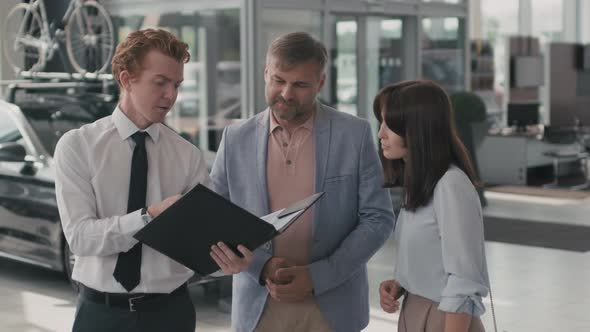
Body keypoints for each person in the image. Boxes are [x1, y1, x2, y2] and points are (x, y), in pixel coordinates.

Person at [54, 28, 252, 332]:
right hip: (101, 316)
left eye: (176, 84)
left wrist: (227, 261)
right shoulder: (78, 146)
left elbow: (203, 243)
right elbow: (80, 237)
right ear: (125, 79)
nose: (171, 95)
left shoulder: (187, 155)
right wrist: (150, 217)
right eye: (160, 83)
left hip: (171, 314)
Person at [210, 31, 395, 332]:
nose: (286, 93)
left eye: (300, 85)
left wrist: (317, 277)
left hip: (333, 307)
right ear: (265, 73)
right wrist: (262, 267)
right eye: (278, 80)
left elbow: (378, 219)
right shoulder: (235, 139)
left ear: (320, 83)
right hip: (258, 308)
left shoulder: (355, 134)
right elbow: (216, 218)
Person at [374, 80, 490, 332]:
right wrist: (402, 282)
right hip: (415, 311)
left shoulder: (450, 184)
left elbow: (464, 280)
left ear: (417, 128)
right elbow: (434, 260)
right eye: (381, 123)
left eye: (389, 125)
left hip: (445, 320)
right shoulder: (419, 182)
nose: (381, 133)